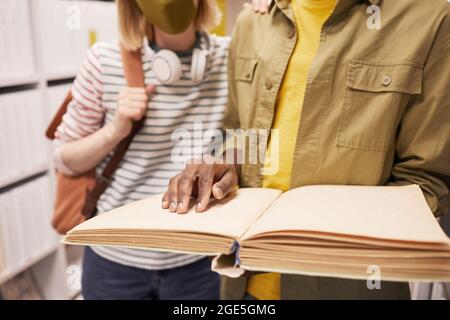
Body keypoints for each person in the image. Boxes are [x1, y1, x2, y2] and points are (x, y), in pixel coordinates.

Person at [163, 0, 450, 299]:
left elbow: (428, 182)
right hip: (242, 287)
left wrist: (308, 241)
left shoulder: (428, 19)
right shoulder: (254, 20)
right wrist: (225, 165)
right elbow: (237, 131)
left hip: (349, 289)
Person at [53, 0, 229, 299]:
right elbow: (64, 158)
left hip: (201, 261)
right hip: (115, 263)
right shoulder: (104, 59)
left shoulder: (232, 56)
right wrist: (114, 130)